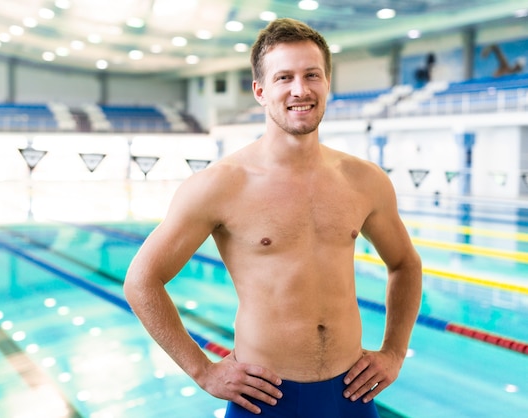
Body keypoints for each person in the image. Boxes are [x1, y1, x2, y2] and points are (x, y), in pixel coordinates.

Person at [124, 18, 422, 417]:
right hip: (265, 400)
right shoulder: (220, 185)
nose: (300, 90)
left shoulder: (364, 180)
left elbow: (404, 264)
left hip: (352, 396)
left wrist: (393, 353)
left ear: (327, 83)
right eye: (284, 77)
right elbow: (141, 281)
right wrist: (203, 371)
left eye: (312, 75)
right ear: (261, 92)